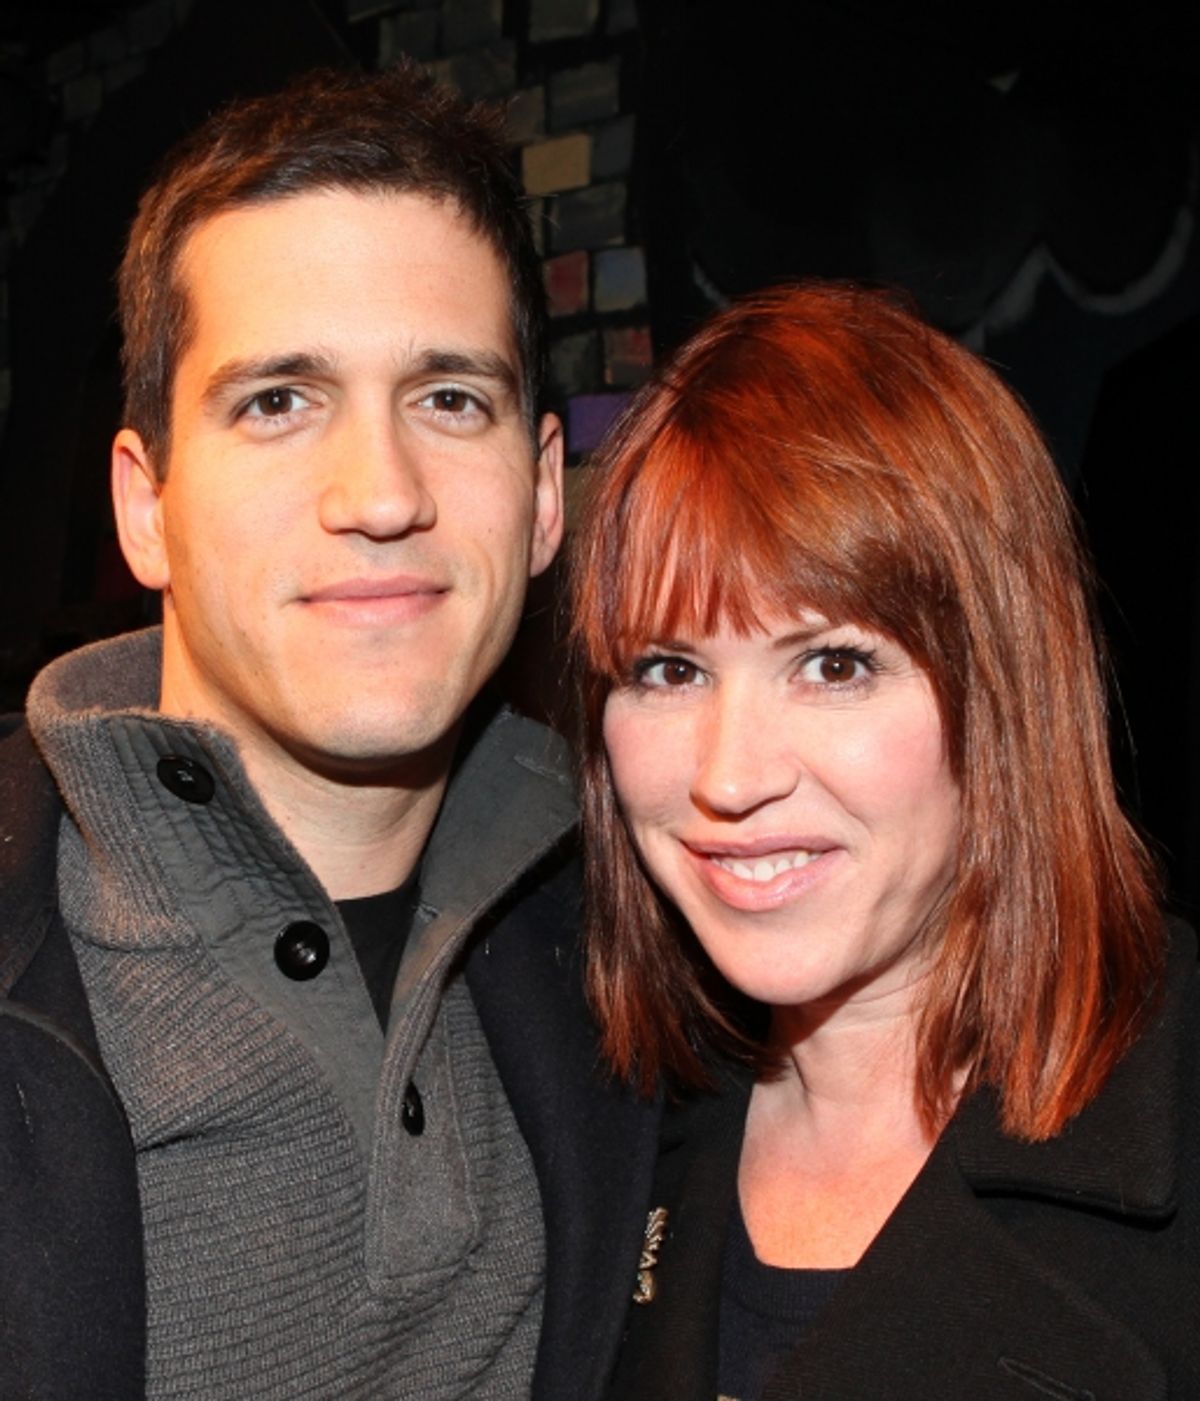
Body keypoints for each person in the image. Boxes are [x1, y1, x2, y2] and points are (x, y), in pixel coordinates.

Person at [0, 64, 657, 1399]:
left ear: (542, 498)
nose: (378, 493)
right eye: (280, 401)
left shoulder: (652, 920)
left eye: (449, 399)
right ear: (146, 504)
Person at [570, 282, 1200, 1399]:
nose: (729, 775)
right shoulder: (584, 1142)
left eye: (833, 664)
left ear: (1006, 688)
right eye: (669, 669)